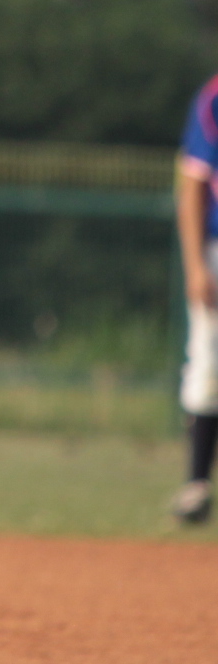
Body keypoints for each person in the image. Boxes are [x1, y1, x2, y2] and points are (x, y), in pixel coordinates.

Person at [173, 73, 218, 524]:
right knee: (208, 363)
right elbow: (192, 187)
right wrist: (195, 265)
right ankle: (197, 485)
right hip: (216, 250)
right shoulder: (214, 98)